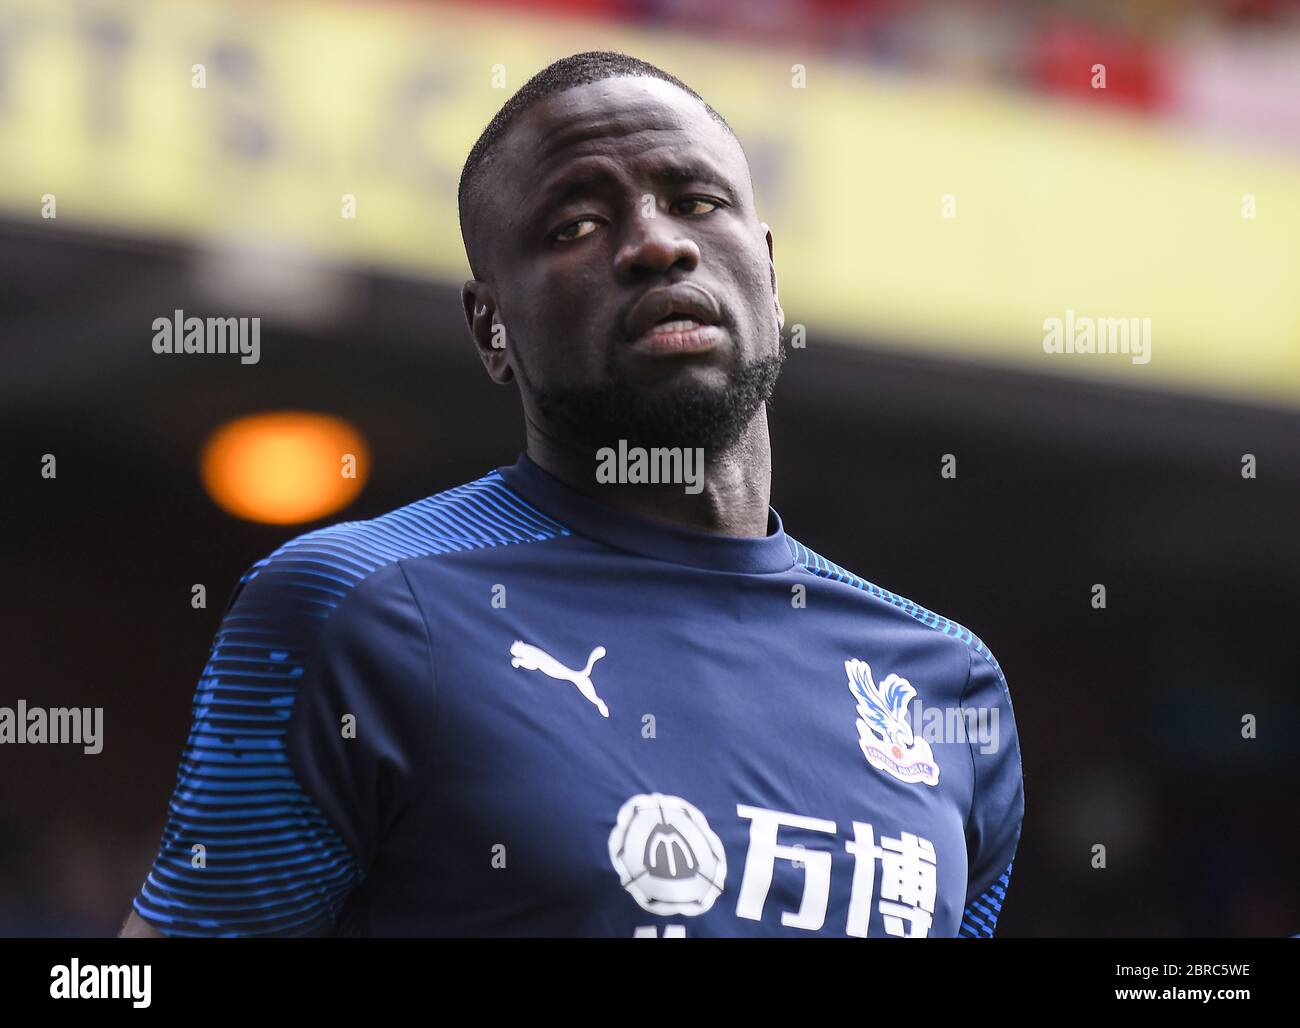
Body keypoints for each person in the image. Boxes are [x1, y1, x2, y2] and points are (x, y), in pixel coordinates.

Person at [121, 50, 1022, 938]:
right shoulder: (360, 607)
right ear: (491, 327)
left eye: (698, 203)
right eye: (576, 225)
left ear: (772, 276)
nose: (658, 244)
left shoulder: (946, 681)